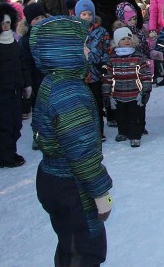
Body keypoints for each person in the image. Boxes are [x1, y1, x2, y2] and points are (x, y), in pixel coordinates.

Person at [30, 15, 113, 265]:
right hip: (72, 184)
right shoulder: (70, 93)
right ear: (64, 51)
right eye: (83, 44)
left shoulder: (53, 81)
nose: (88, 49)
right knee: (83, 249)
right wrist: (102, 194)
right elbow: (82, 153)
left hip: (52, 177)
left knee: (69, 243)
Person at [101, 27, 152, 148]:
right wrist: (106, 94)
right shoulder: (112, 58)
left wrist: (146, 90)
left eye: (129, 38)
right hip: (118, 94)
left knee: (136, 115)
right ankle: (122, 131)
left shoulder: (139, 57)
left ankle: (135, 135)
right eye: (123, 39)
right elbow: (107, 77)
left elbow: (145, 74)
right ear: (117, 42)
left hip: (135, 93)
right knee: (121, 115)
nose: (126, 41)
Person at [0, 2, 32, 167]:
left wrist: (26, 84)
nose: (5, 26)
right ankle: (4, 156)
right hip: (1, 92)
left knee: (16, 124)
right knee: (3, 124)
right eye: (2, 23)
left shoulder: (14, 42)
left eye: (7, 22)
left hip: (16, 90)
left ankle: (11, 152)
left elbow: (23, 64)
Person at [76, 0, 110, 141]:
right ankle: (82, 132)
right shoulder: (74, 32)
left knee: (97, 103)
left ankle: (98, 131)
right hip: (79, 75)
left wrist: (104, 65)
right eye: (83, 14)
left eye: (89, 14)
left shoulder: (101, 32)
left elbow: (107, 50)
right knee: (80, 105)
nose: (87, 17)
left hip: (95, 74)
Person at [19, 3, 47, 127]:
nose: (40, 20)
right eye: (36, 19)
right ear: (30, 22)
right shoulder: (25, 40)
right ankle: (38, 134)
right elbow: (24, 62)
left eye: (42, 17)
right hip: (36, 79)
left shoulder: (52, 34)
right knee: (39, 108)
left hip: (53, 76)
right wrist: (28, 83)